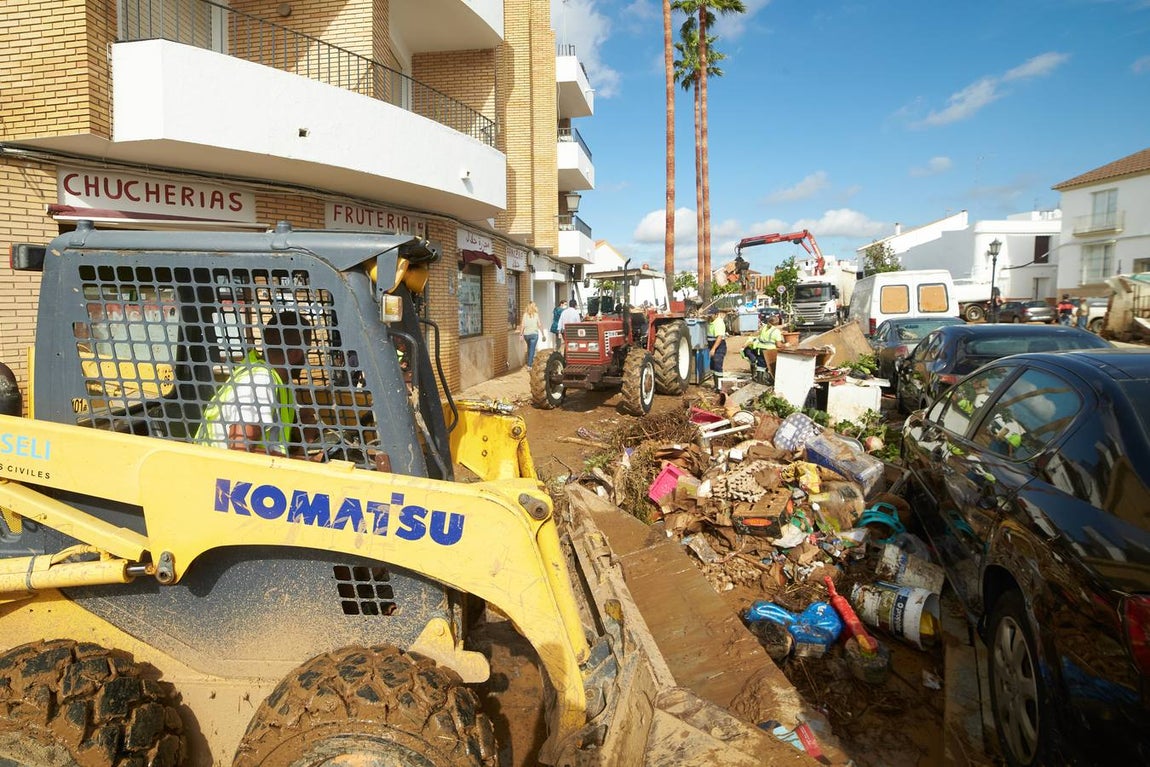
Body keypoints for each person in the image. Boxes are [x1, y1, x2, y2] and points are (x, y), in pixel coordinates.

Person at [194, 311, 318, 458]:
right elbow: (239, 449)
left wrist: (308, 432)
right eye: (306, 352)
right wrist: (298, 461)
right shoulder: (260, 381)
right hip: (221, 475)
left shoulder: (277, 381)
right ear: (296, 354)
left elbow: (299, 415)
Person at [520, 301, 543, 366]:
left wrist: (521, 334)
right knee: (532, 349)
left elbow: (522, 325)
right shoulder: (536, 314)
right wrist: (543, 333)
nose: (536, 307)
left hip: (526, 335)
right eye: (535, 306)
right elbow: (539, 324)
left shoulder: (525, 315)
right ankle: (529, 365)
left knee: (529, 348)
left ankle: (530, 361)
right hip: (534, 334)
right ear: (533, 307)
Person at [707, 309, 727, 381]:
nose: (709, 317)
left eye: (711, 315)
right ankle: (715, 383)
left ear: (716, 315)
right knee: (712, 365)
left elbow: (719, 338)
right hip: (711, 344)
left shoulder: (718, 323)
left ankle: (719, 386)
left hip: (719, 346)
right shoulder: (711, 322)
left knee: (717, 363)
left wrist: (713, 349)